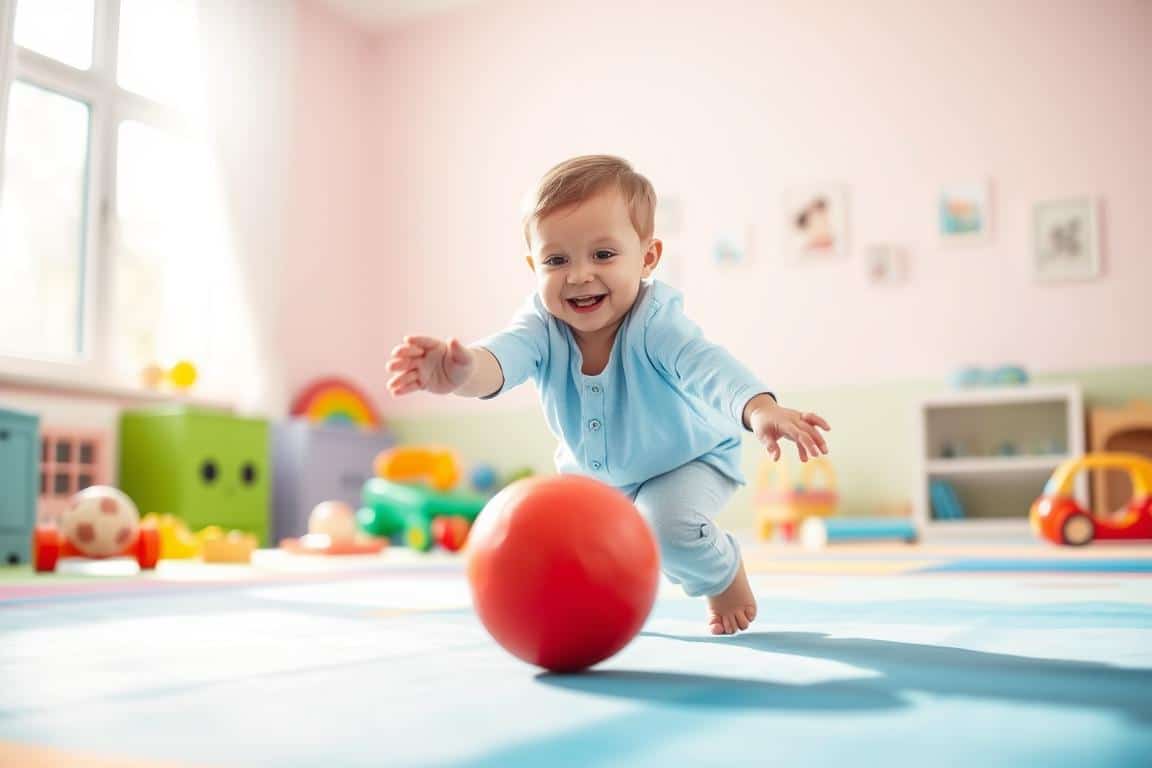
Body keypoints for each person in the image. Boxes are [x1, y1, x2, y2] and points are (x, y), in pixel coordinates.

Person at [386, 155, 830, 635]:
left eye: (603, 255)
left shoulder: (656, 323)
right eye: (557, 260)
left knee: (667, 526)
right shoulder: (541, 325)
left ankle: (721, 573)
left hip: (687, 461)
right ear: (534, 265)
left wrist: (759, 407)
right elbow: (500, 362)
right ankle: (591, 606)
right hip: (595, 480)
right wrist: (460, 370)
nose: (579, 275)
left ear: (648, 256)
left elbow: (708, 367)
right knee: (554, 540)